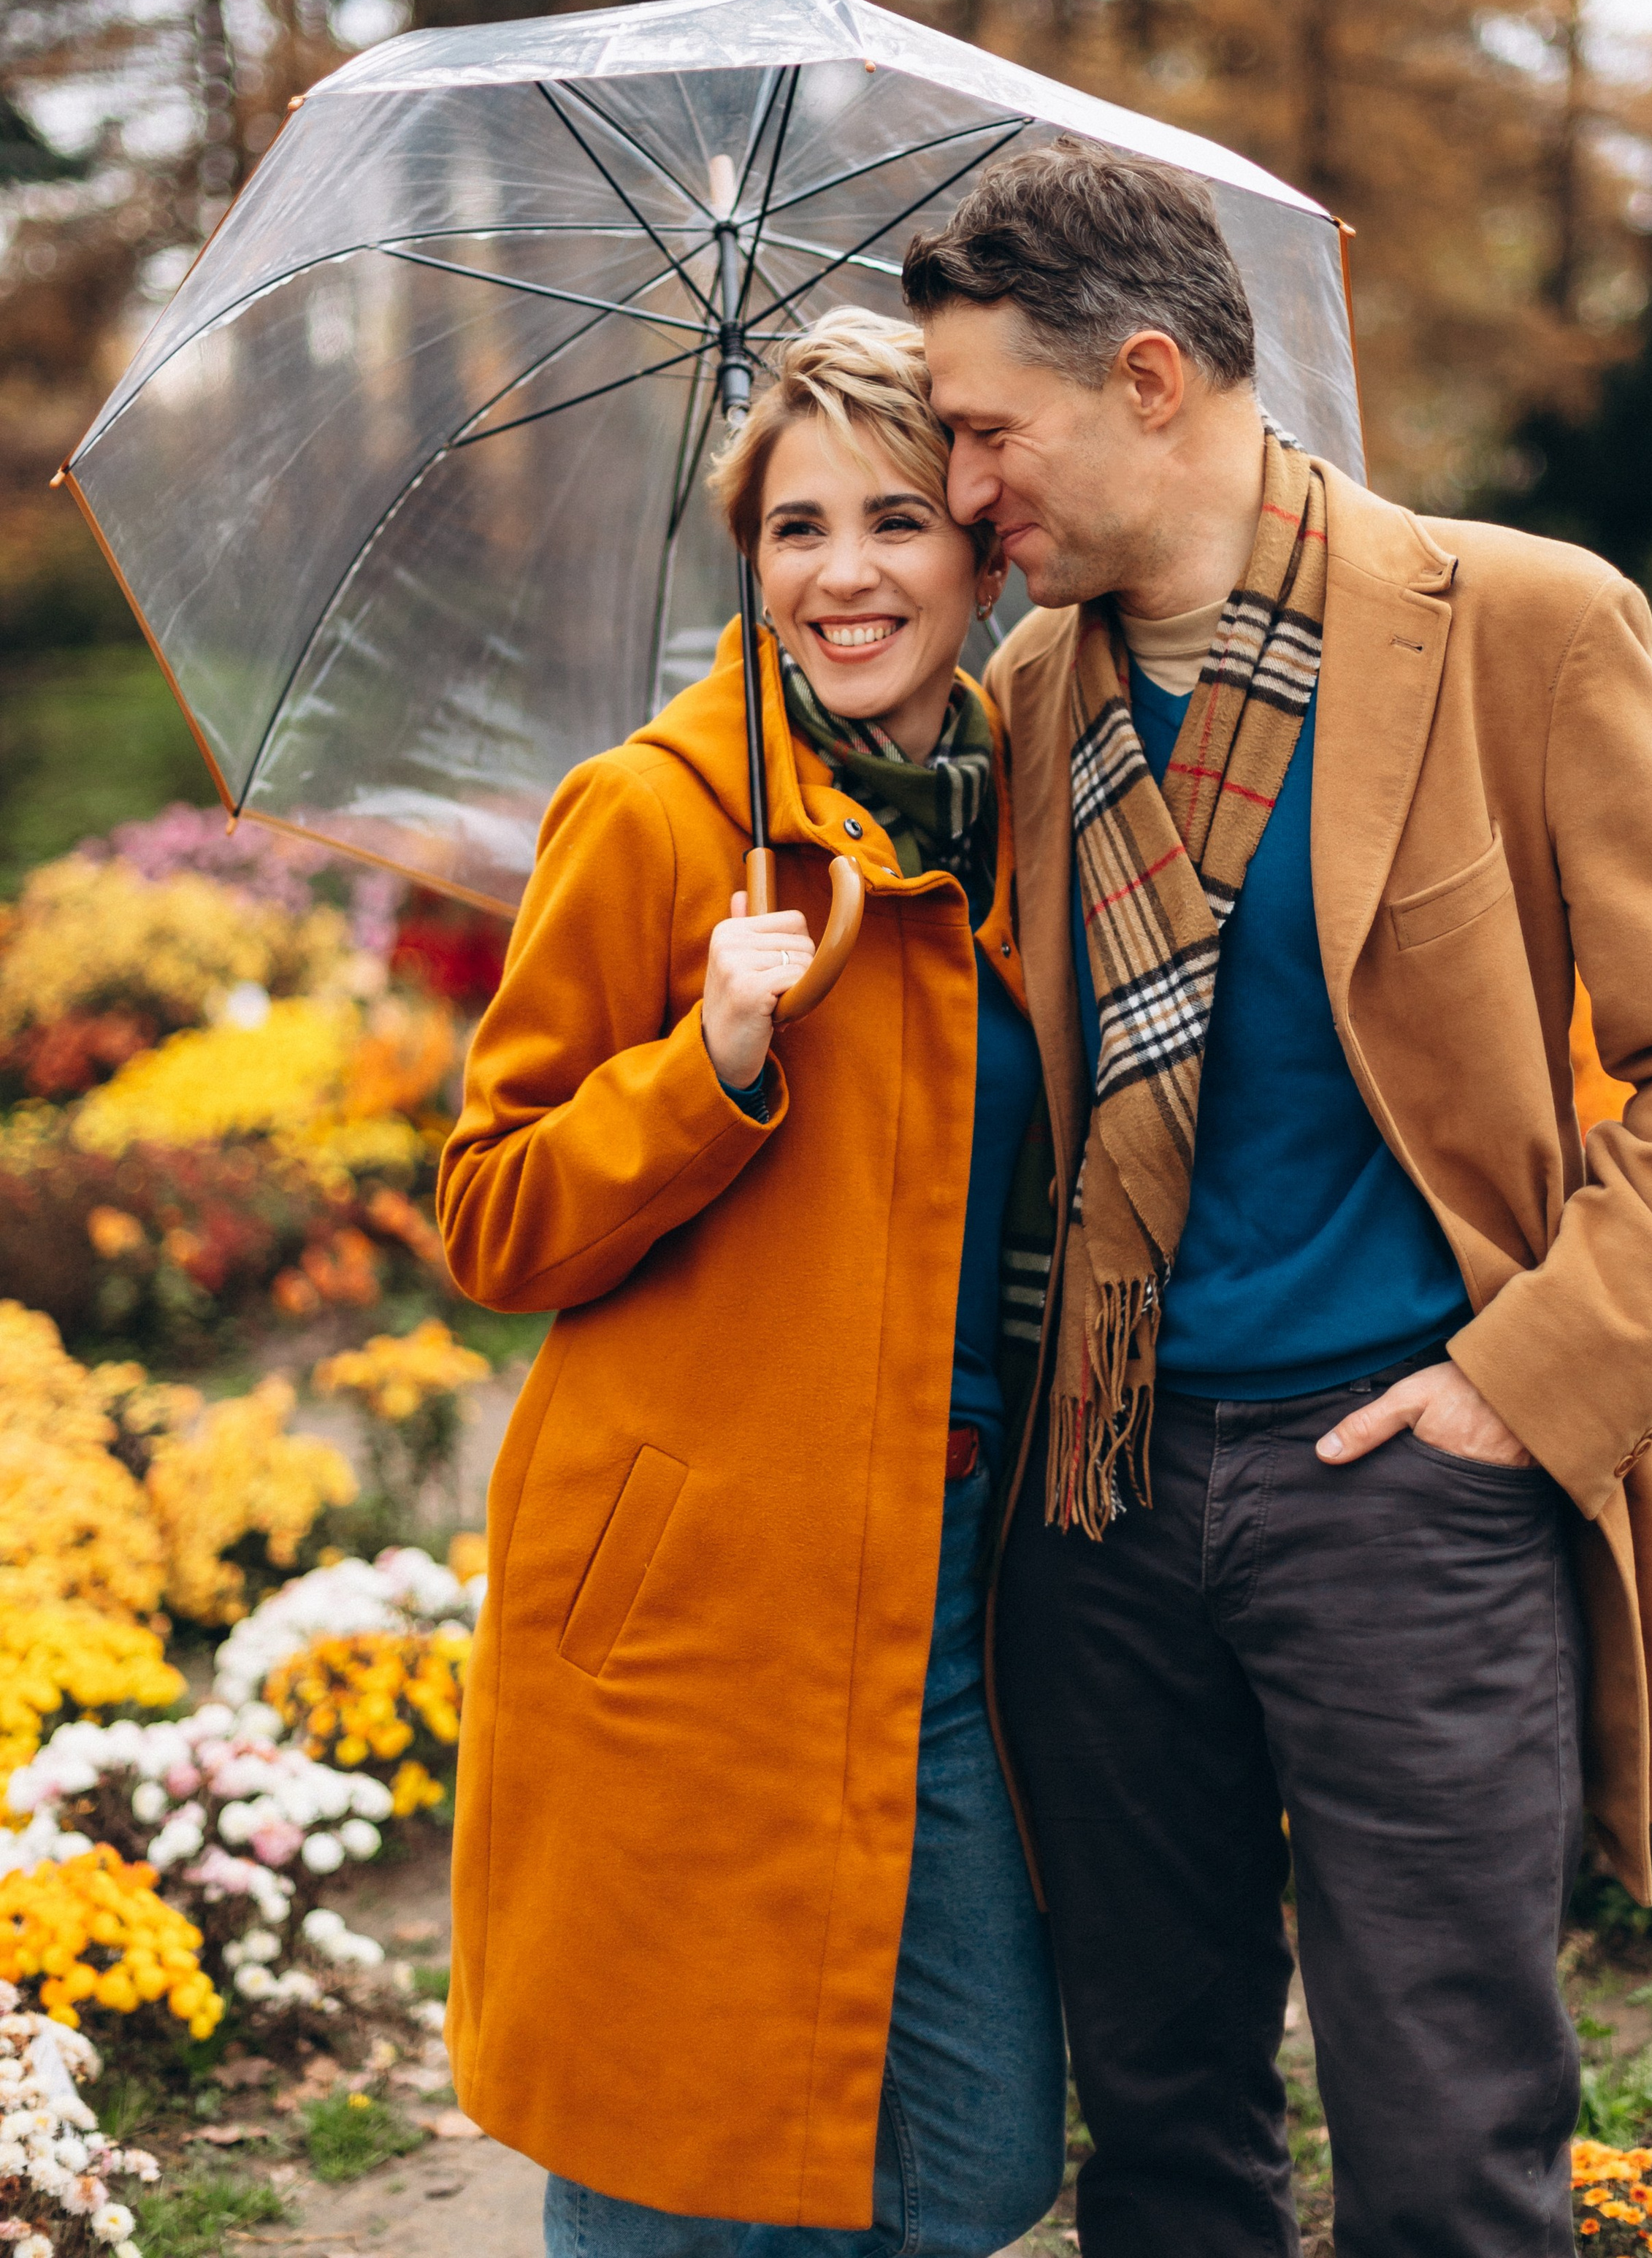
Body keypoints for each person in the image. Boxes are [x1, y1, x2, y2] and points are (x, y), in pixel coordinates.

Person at [898, 140, 1652, 2258]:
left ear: (1148, 380)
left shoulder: (1519, 627)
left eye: (981, 433)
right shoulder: (1030, 696)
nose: (962, 494)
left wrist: (1518, 1389)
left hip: (1408, 1486)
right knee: (1159, 2131)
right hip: (1103, 1507)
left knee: (1450, 2143)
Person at [435, 308, 1066, 2258]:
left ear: (983, 550)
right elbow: (493, 1213)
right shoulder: (658, 816)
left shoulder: (1038, 810)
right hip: (704, 1602)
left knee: (975, 2156)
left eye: (895, 518)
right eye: (797, 528)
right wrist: (707, 1070)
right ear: (750, 559)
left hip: (958, 1596)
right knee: (676, 2149)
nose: (847, 573)